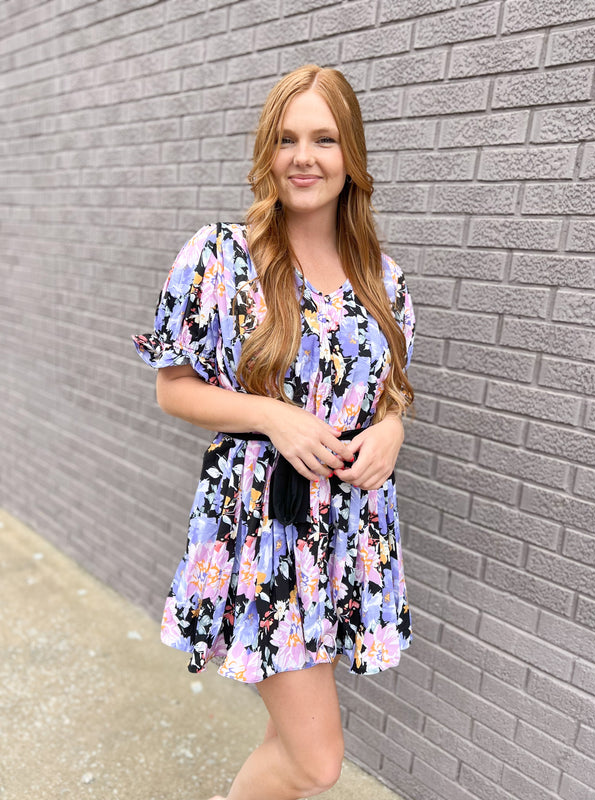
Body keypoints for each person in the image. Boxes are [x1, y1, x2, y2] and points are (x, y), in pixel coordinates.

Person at [132, 64, 416, 800]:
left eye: (324, 138)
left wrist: (393, 429)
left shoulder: (381, 277)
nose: (304, 156)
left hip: (348, 531)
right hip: (268, 532)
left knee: (288, 738)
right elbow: (174, 388)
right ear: (268, 150)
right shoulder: (222, 257)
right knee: (317, 761)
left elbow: (386, 393)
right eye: (288, 138)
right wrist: (273, 414)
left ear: (350, 154)